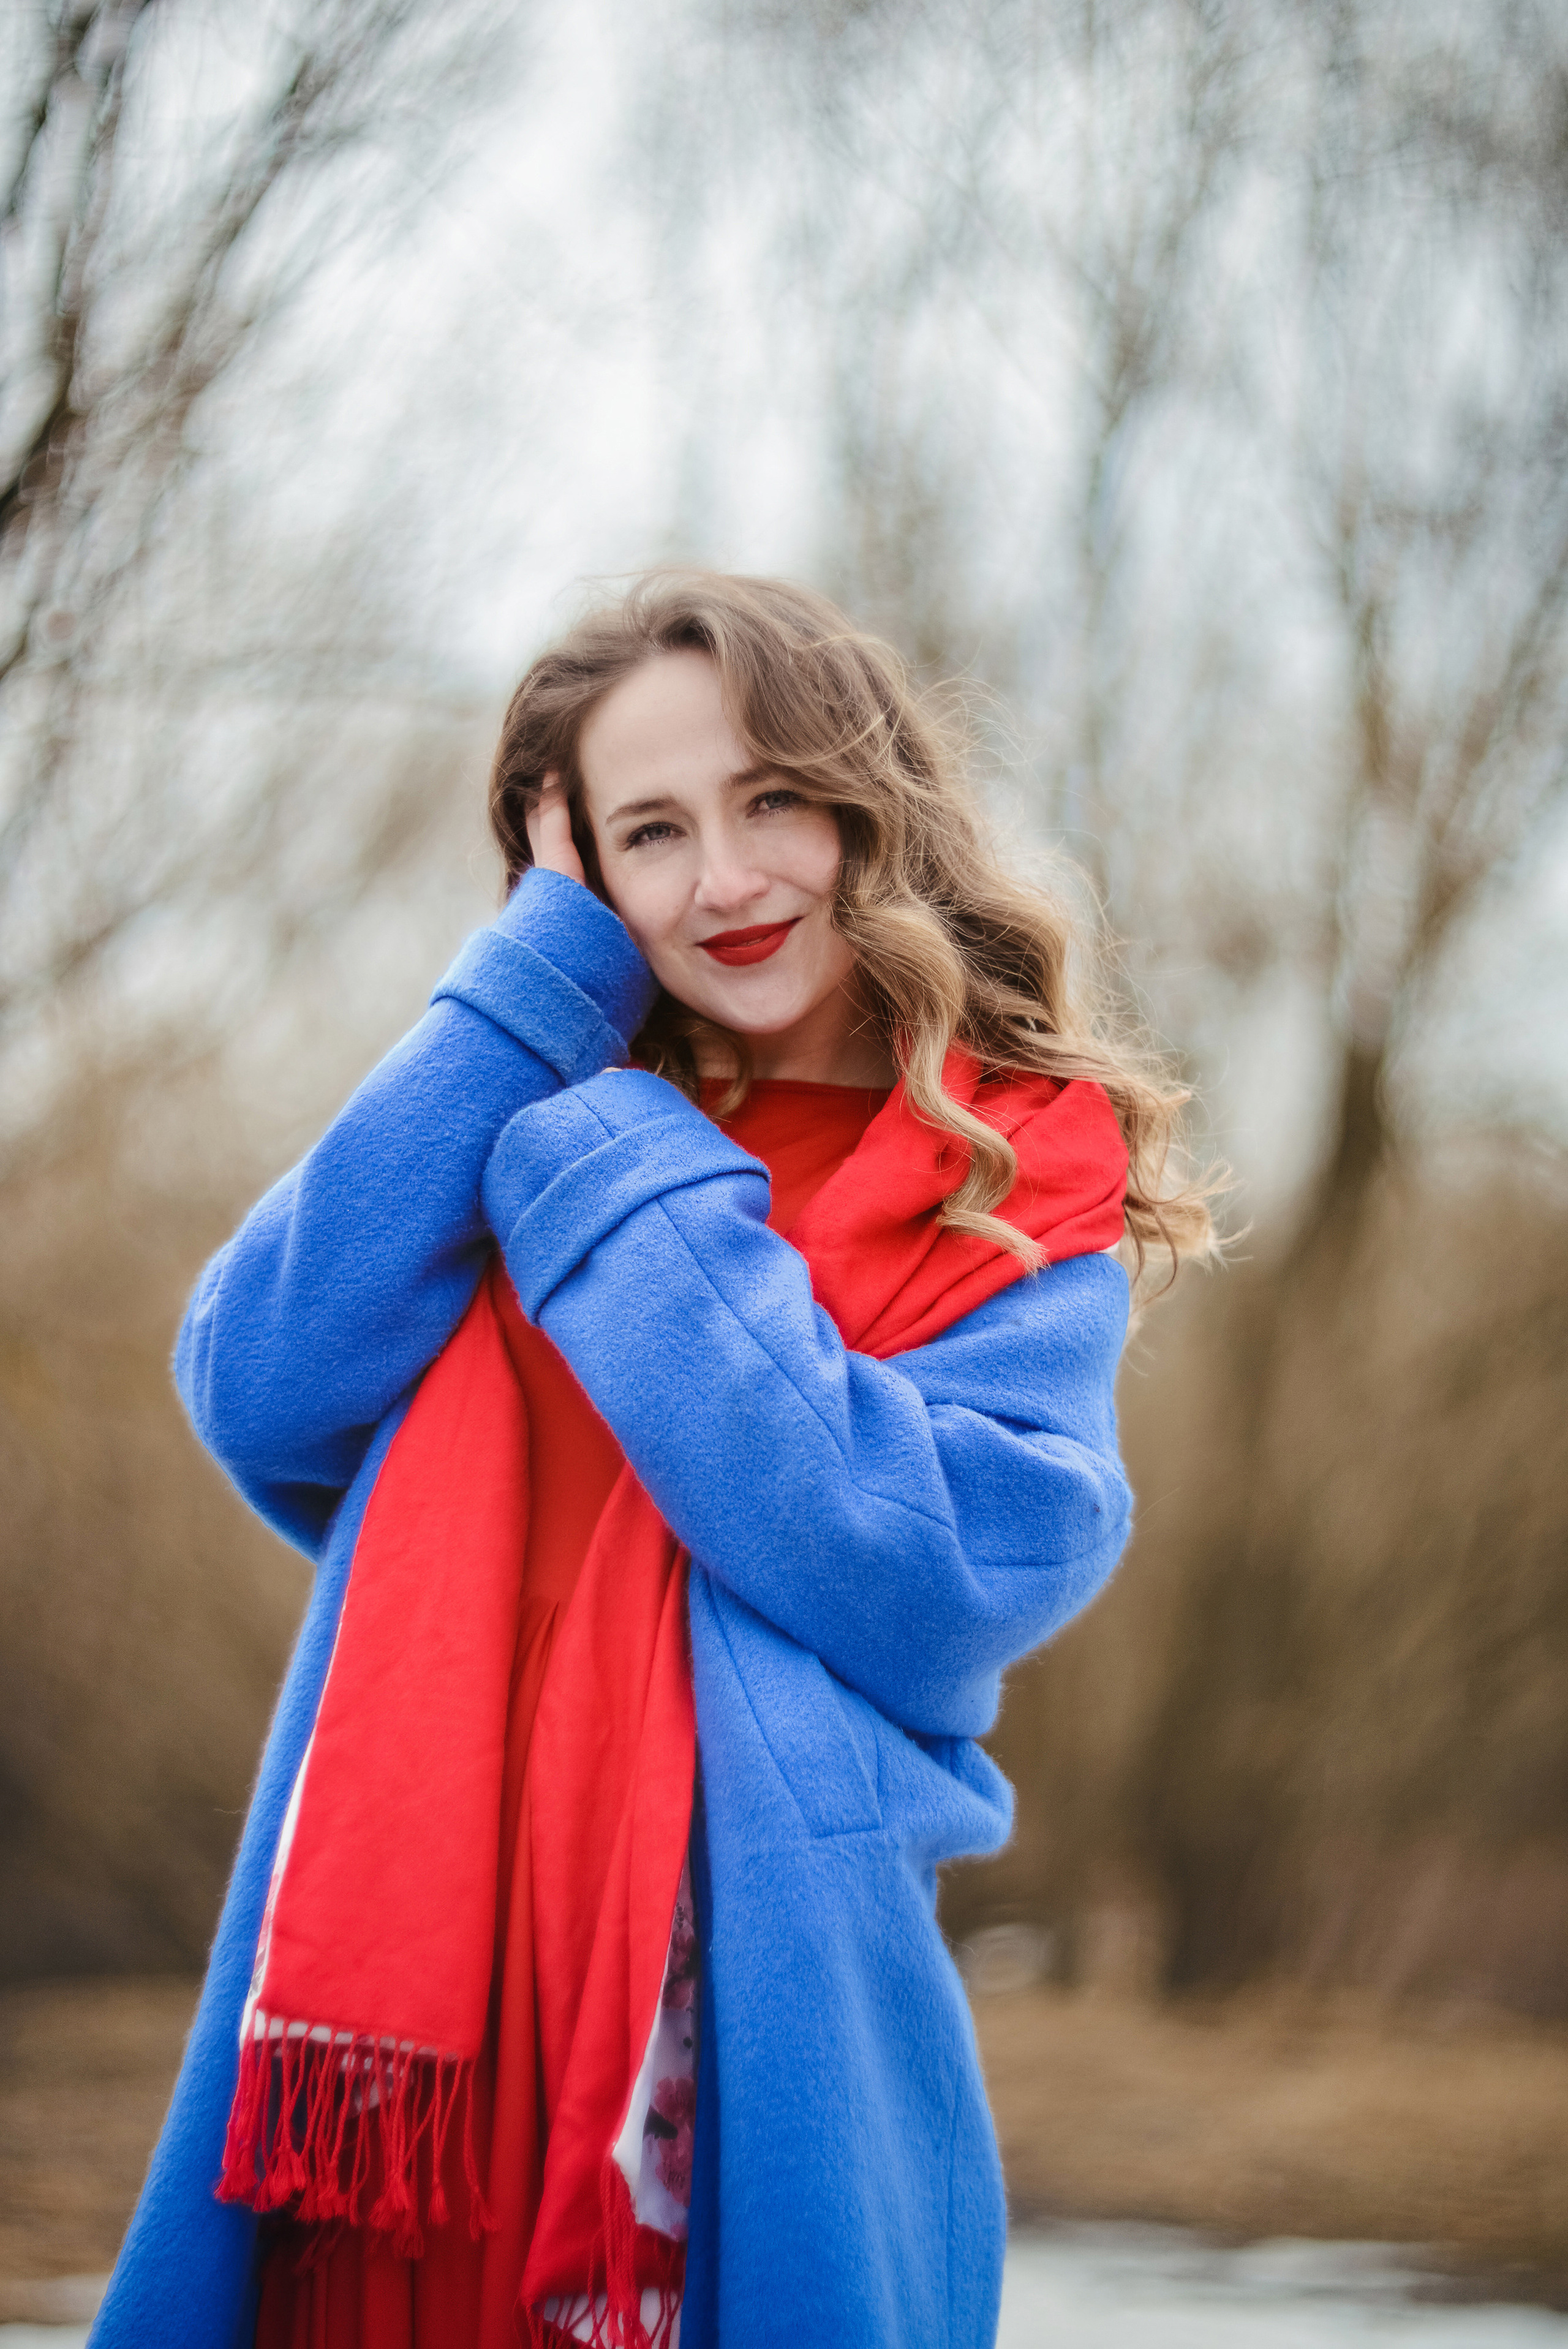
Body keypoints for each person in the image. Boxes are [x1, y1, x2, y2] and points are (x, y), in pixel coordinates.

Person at [89, 573, 1212, 2349]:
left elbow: (924, 1569)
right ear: (588, 876)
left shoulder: (1005, 1171)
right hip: (416, 2045)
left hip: (741, 2043)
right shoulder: (512, 1105)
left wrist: (613, 1181)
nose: (728, 879)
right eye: (652, 831)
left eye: (775, 799)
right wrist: (538, 989)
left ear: (869, 805)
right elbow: (256, 1375)